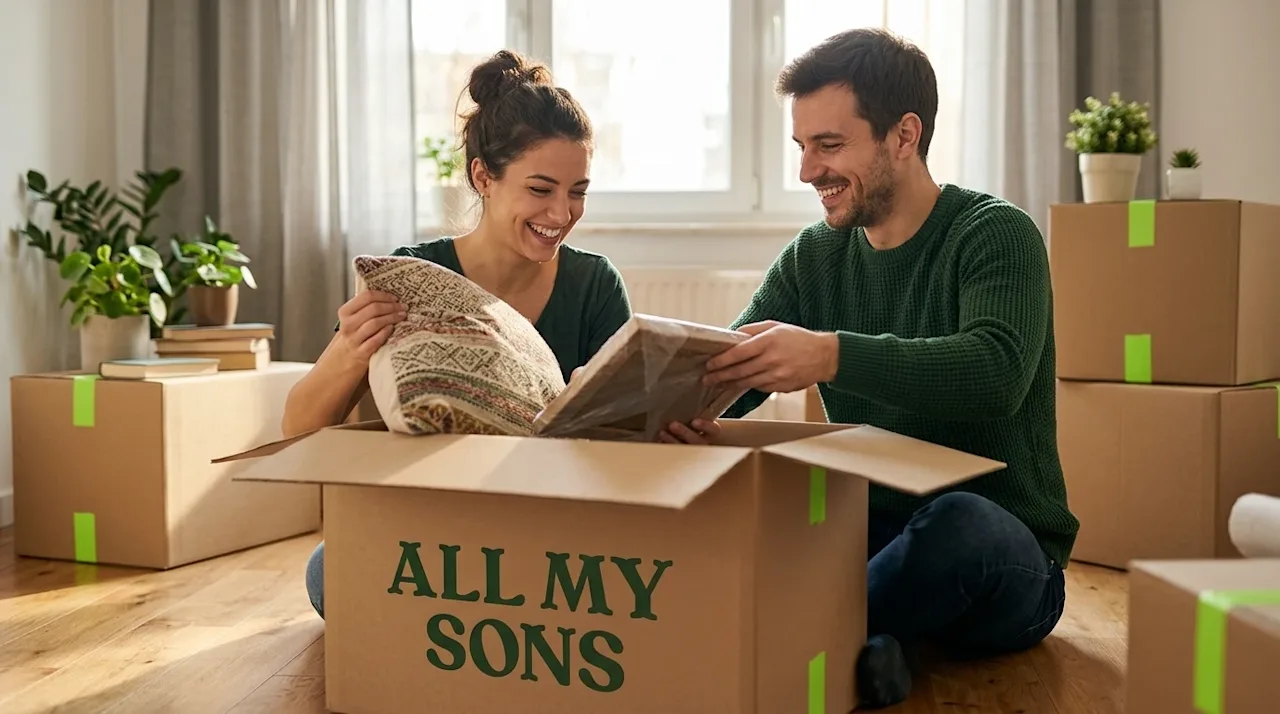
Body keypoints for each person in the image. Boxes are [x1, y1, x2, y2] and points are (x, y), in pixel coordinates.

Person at [702, 28, 1080, 709]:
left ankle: (803, 633)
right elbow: (734, 368)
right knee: (772, 515)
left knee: (959, 522)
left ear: (904, 135)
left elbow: (996, 374)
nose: (807, 171)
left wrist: (830, 353)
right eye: (802, 147)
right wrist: (659, 403)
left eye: (829, 145)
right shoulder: (813, 256)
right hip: (872, 538)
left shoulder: (996, 234)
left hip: (1004, 549)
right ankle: (873, 640)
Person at [282, 49, 716, 620]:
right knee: (328, 575)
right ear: (483, 176)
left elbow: (621, 449)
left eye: (578, 190)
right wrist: (346, 351)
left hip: (562, 527)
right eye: (541, 189)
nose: (562, 213)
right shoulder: (412, 275)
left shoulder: (593, 284)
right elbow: (298, 431)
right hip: (440, 525)